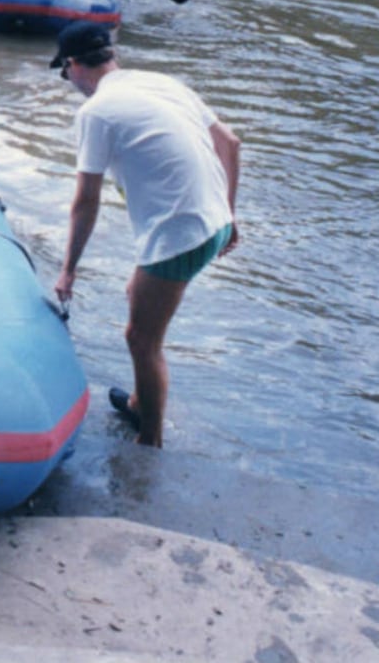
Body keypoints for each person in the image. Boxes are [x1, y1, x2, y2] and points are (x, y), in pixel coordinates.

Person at [50, 22, 240, 449]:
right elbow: (231, 142)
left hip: (182, 233)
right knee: (137, 292)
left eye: (65, 73)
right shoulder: (160, 82)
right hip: (215, 221)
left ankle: (149, 439)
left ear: (74, 64)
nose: (69, 83)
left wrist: (67, 271)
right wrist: (230, 214)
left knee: (140, 338)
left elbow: (85, 201)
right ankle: (139, 401)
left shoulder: (96, 112)